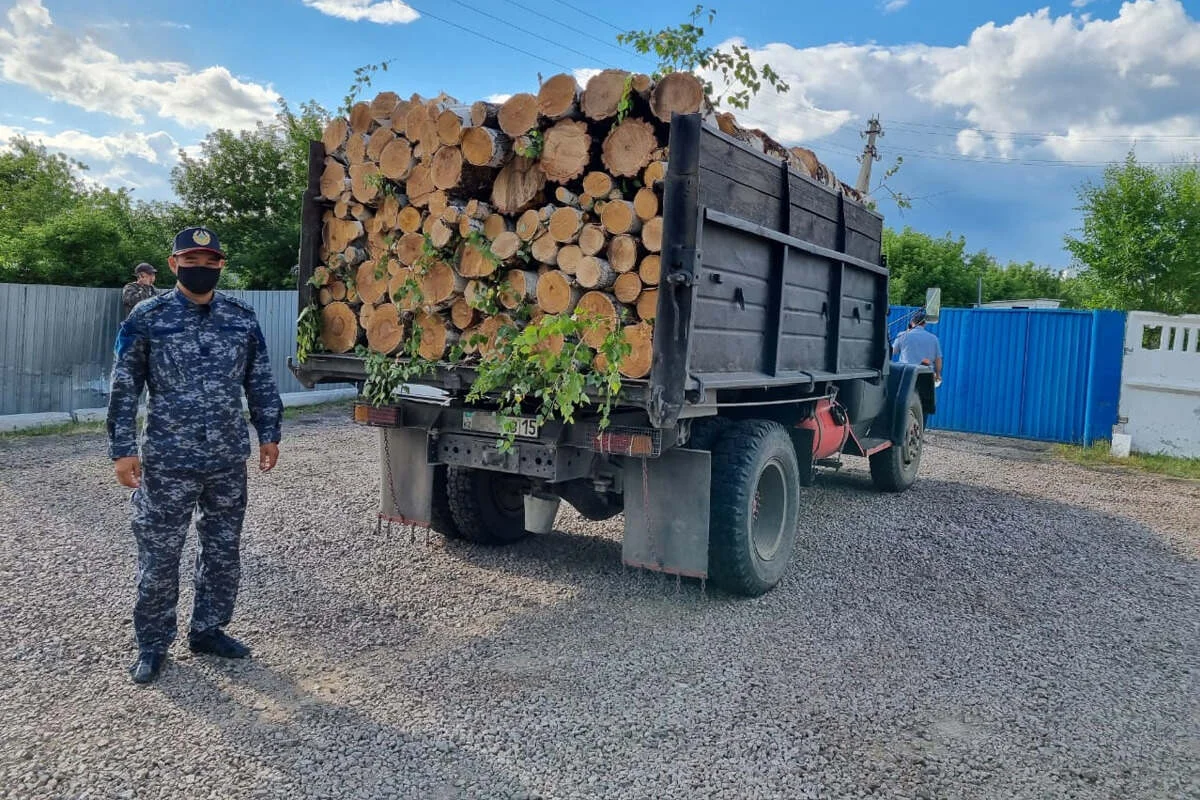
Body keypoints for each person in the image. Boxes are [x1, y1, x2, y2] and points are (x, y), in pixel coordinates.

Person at [106, 226, 284, 685]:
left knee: (222, 551)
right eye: (191, 260)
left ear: (221, 265)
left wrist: (269, 431)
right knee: (160, 556)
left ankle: (208, 629)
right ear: (173, 264)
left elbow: (259, 380)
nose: (201, 269)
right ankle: (152, 643)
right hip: (167, 459)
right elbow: (125, 386)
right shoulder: (147, 317)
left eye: (210, 262)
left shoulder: (241, 318)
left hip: (227, 457)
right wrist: (123, 449)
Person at [892, 309, 943, 384]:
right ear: (925, 323)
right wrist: (938, 375)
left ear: (911, 322)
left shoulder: (902, 335)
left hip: (906, 374)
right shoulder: (933, 338)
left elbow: (892, 351)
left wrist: (907, 331)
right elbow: (938, 359)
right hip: (926, 375)